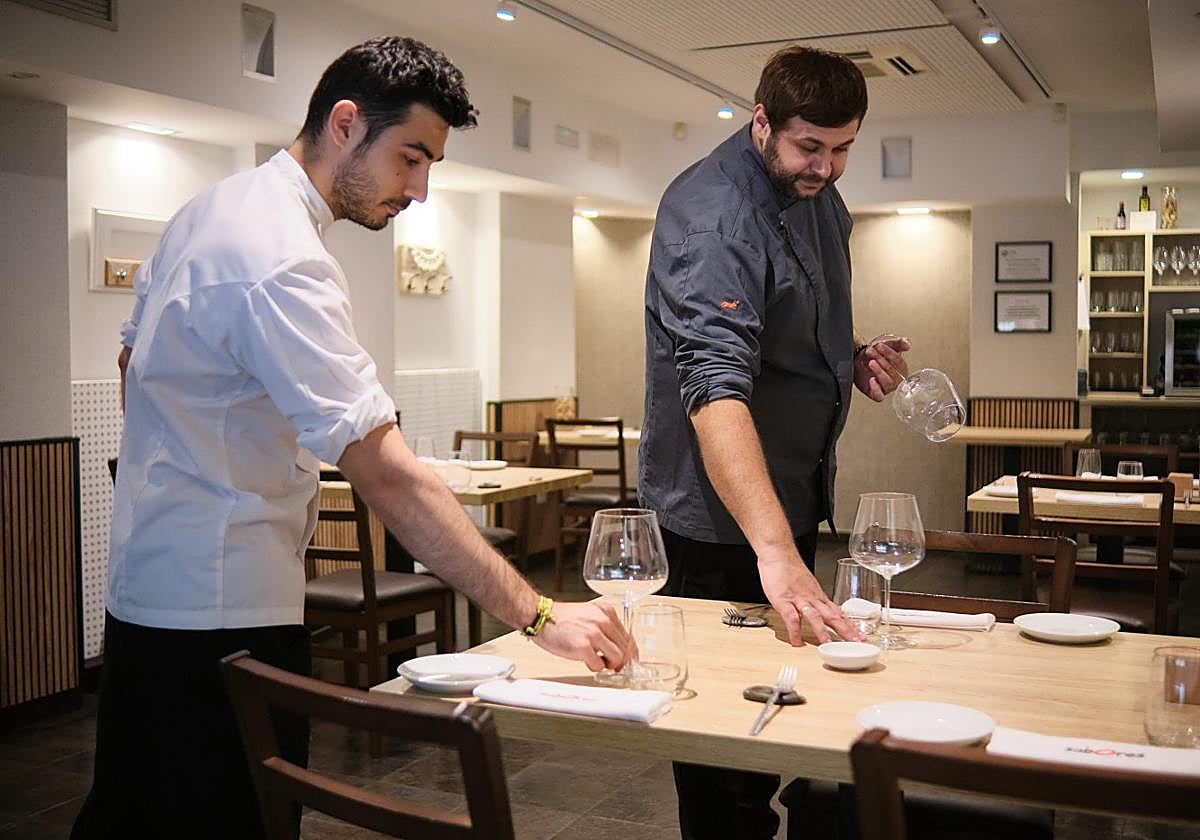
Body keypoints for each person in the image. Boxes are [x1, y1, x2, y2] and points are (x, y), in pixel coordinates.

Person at [72, 36, 633, 840]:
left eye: (430, 164)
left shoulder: (210, 210)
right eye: (411, 158)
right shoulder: (284, 259)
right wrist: (542, 616)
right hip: (225, 620)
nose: (421, 188)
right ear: (344, 124)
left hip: (143, 602)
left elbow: (133, 364)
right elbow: (388, 477)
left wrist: (194, 464)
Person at [639, 46, 911, 839]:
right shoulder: (713, 213)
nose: (827, 167)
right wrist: (774, 550)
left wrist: (845, 353)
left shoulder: (818, 195)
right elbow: (716, 384)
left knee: (778, 722)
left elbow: (783, 314)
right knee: (726, 760)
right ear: (761, 121)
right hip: (717, 522)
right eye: (809, 147)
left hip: (784, 498)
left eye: (843, 148)